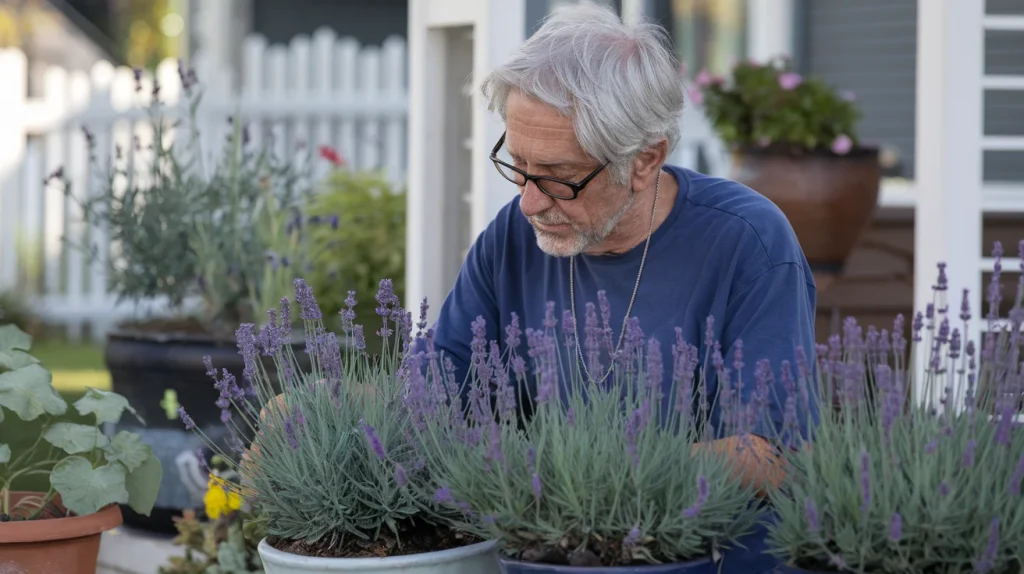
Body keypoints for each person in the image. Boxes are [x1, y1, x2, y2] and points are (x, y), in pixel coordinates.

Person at [428, 3, 819, 572]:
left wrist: (591, 474)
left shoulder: (747, 241)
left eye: (560, 178)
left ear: (644, 160)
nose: (529, 202)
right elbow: (436, 391)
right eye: (518, 165)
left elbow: (773, 455)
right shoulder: (514, 236)